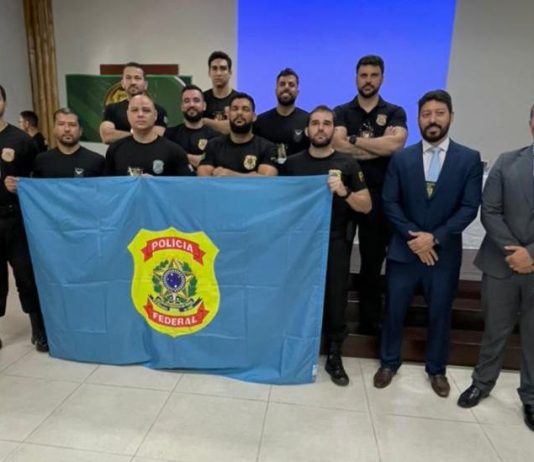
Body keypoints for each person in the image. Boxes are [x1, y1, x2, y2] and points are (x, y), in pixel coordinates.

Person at [373, 90, 482, 397]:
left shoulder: (468, 159)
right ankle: (388, 363)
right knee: (394, 310)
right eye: (426, 114)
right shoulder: (401, 158)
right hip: (404, 251)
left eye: (439, 113)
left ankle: (436, 369)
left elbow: (469, 207)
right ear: (418, 119)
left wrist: (433, 238)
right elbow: (390, 202)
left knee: (440, 313)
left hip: (443, 254)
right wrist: (415, 238)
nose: (432, 120)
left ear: (451, 117)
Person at [457, 104, 534, 430]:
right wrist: (515, 252)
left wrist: (531, 254)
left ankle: (531, 397)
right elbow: (489, 211)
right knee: (494, 330)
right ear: (531, 123)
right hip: (502, 263)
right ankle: (482, 383)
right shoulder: (507, 161)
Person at [285, 105, 372, 386]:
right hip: (300, 242)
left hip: (334, 241)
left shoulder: (347, 164)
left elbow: (366, 206)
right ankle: (294, 349)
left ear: (333, 129)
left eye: (326, 123)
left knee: (335, 298)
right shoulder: (293, 164)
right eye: (315, 123)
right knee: (296, 295)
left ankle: (334, 355)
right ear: (307, 129)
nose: (320, 128)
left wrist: (344, 192)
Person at [333, 55, 408, 336]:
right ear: (356, 78)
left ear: (382, 79)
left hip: (379, 195)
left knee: (372, 262)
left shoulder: (395, 112)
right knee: (338, 261)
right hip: (345, 194)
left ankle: (368, 323)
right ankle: (334, 322)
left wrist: (354, 141)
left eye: (373, 75)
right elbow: (337, 145)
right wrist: (377, 145)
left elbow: (395, 145)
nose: (368, 80)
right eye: (363, 75)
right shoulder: (341, 111)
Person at [0, 84, 48, 352]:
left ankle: (38, 329)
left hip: (15, 217)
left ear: (4, 102)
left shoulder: (21, 140)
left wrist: (22, 185)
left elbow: (37, 179)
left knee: (26, 276)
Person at [105, 94, 192, 176]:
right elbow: (106, 184)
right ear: (128, 115)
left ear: (155, 115)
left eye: (146, 110)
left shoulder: (175, 151)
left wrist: (154, 183)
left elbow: (187, 184)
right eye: (134, 110)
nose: (140, 115)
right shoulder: (115, 150)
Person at [197, 93, 278, 177]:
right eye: (235, 109)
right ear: (228, 115)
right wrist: (251, 176)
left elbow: (267, 179)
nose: (239, 113)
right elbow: (203, 177)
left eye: (245, 109)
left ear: (254, 117)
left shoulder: (267, 148)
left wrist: (231, 175)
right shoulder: (213, 145)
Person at [100, 62, 168, 144]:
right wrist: (139, 135)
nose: (133, 82)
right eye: (128, 78)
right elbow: (107, 136)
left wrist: (120, 135)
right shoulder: (112, 109)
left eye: (137, 78)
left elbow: (157, 136)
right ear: (122, 83)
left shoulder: (158, 110)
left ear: (145, 84)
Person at [254, 68, 309, 167]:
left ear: (297, 92)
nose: (286, 87)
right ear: (276, 91)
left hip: (298, 174)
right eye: (282, 84)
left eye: (291, 85)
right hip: (268, 174)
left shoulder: (308, 121)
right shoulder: (260, 122)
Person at [33, 108, 104, 178]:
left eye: (72, 125)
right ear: (54, 129)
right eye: (61, 124)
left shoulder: (96, 161)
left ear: (80, 131)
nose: (67, 129)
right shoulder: (42, 160)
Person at [164, 84, 219, 169]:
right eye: (186, 101)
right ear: (182, 106)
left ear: (204, 106)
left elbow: (215, 165)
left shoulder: (216, 138)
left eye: (196, 100)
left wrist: (179, 155)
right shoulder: (170, 135)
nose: (191, 104)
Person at [202, 51, 237, 134]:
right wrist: (221, 125)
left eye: (223, 68)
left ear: (230, 73)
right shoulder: (201, 99)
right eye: (214, 68)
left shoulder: (239, 100)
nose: (218, 73)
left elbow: (234, 129)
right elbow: (193, 124)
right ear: (209, 73)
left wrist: (205, 121)